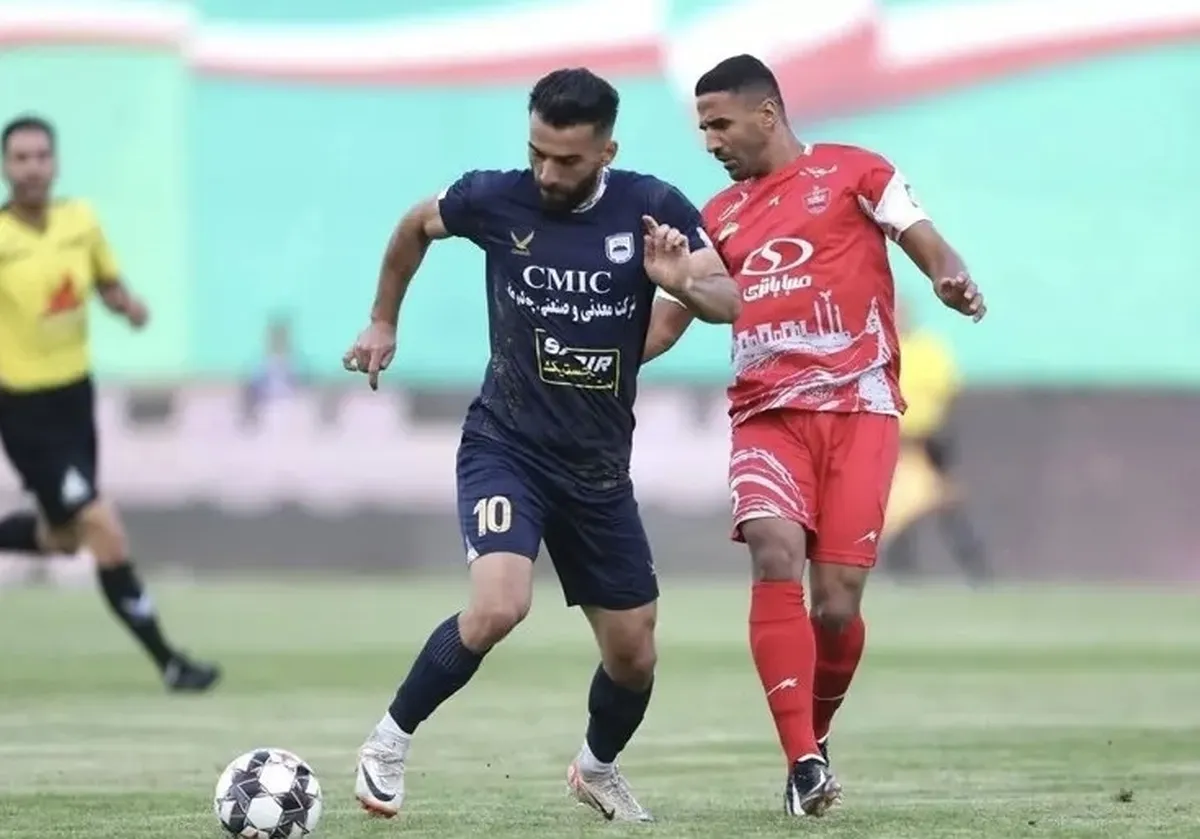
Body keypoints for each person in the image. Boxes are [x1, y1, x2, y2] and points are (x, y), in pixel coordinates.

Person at [342, 68, 739, 822]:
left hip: (598, 471)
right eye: (538, 155)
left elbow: (728, 297)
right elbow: (413, 226)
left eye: (568, 160)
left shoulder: (653, 207)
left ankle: (596, 767)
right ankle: (388, 741)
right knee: (499, 606)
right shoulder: (493, 198)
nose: (548, 174)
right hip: (507, 445)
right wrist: (383, 319)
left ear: (606, 152)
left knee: (634, 654)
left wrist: (679, 281)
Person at [644, 55, 986, 816]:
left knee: (835, 605)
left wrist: (950, 278)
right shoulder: (717, 217)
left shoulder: (857, 172)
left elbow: (929, 243)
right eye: (702, 128)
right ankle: (801, 761)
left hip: (861, 412)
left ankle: (817, 736)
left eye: (719, 124)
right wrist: (590, 358)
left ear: (767, 114)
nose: (710, 141)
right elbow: (668, 324)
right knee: (773, 550)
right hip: (766, 417)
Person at [0, 115, 220, 691]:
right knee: (103, 528)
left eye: (40, 156)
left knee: (64, 537)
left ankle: (170, 663)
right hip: (24, 411)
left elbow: (104, 280)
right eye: (20, 158)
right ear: (6, 167)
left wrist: (125, 303)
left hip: (75, 399)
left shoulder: (81, 220)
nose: (32, 168)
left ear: (54, 163)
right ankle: (170, 662)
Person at [884, 302, 989, 582]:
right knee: (897, 510)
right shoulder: (880, 349)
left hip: (929, 442)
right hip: (892, 443)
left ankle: (976, 567)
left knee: (946, 503)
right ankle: (904, 573)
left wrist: (935, 430)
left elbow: (949, 390)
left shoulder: (929, 349)